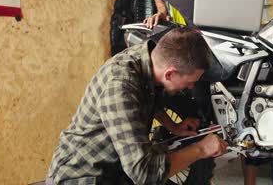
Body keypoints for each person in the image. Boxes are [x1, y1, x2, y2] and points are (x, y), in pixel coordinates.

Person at [143, 0, 266, 185]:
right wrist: (161, 11)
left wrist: (238, 7)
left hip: (235, 40)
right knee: (201, 109)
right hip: (200, 46)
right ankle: (201, 165)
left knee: (247, 108)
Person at [46, 27, 228, 185]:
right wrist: (201, 149)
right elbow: (144, 174)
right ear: (170, 74)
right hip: (82, 177)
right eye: (190, 82)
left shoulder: (147, 60)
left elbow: (150, 96)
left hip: (115, 171)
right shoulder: (121, 85)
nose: (191, 87)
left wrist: (173, 126)